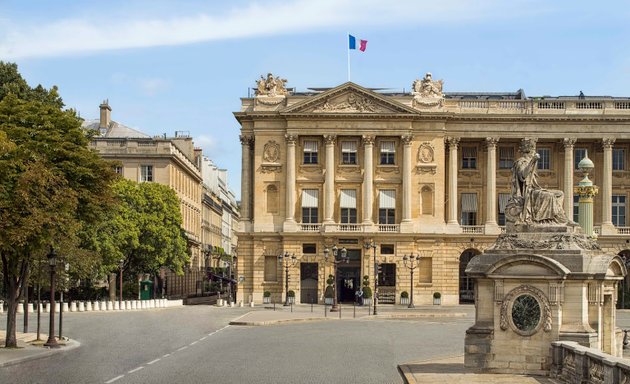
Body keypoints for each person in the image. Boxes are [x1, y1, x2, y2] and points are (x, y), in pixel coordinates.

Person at [510, 139, 567, 225]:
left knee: (560, 193)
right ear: (528, 152)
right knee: (549, 195)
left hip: (535, 189)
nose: (534, 152)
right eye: (533, 151)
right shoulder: (521, 162)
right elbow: (524, 175)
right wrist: (532, 161)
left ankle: (558, 218)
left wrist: (532, 161)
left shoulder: (530, 161)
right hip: (528, 192)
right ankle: (545, 218)